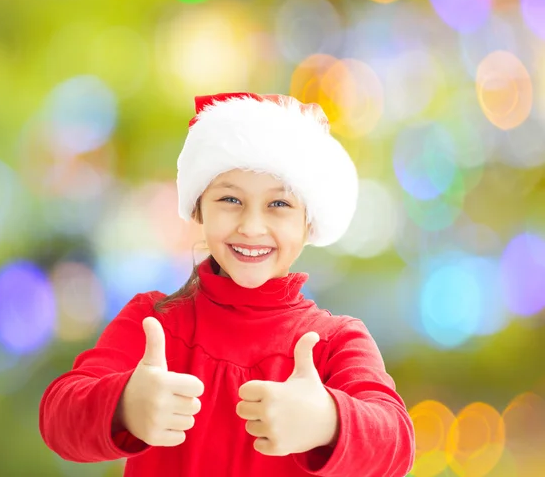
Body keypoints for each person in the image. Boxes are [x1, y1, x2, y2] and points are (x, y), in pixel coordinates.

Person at [39, 92, 416, 477]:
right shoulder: (153, 323)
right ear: (199, 207)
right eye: (230, 199)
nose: (251, 227)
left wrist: (328, 421)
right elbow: (57, 419)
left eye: (279, 204)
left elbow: (398, 446)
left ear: (310, 222)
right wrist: (123, 405)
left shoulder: (336, 343)